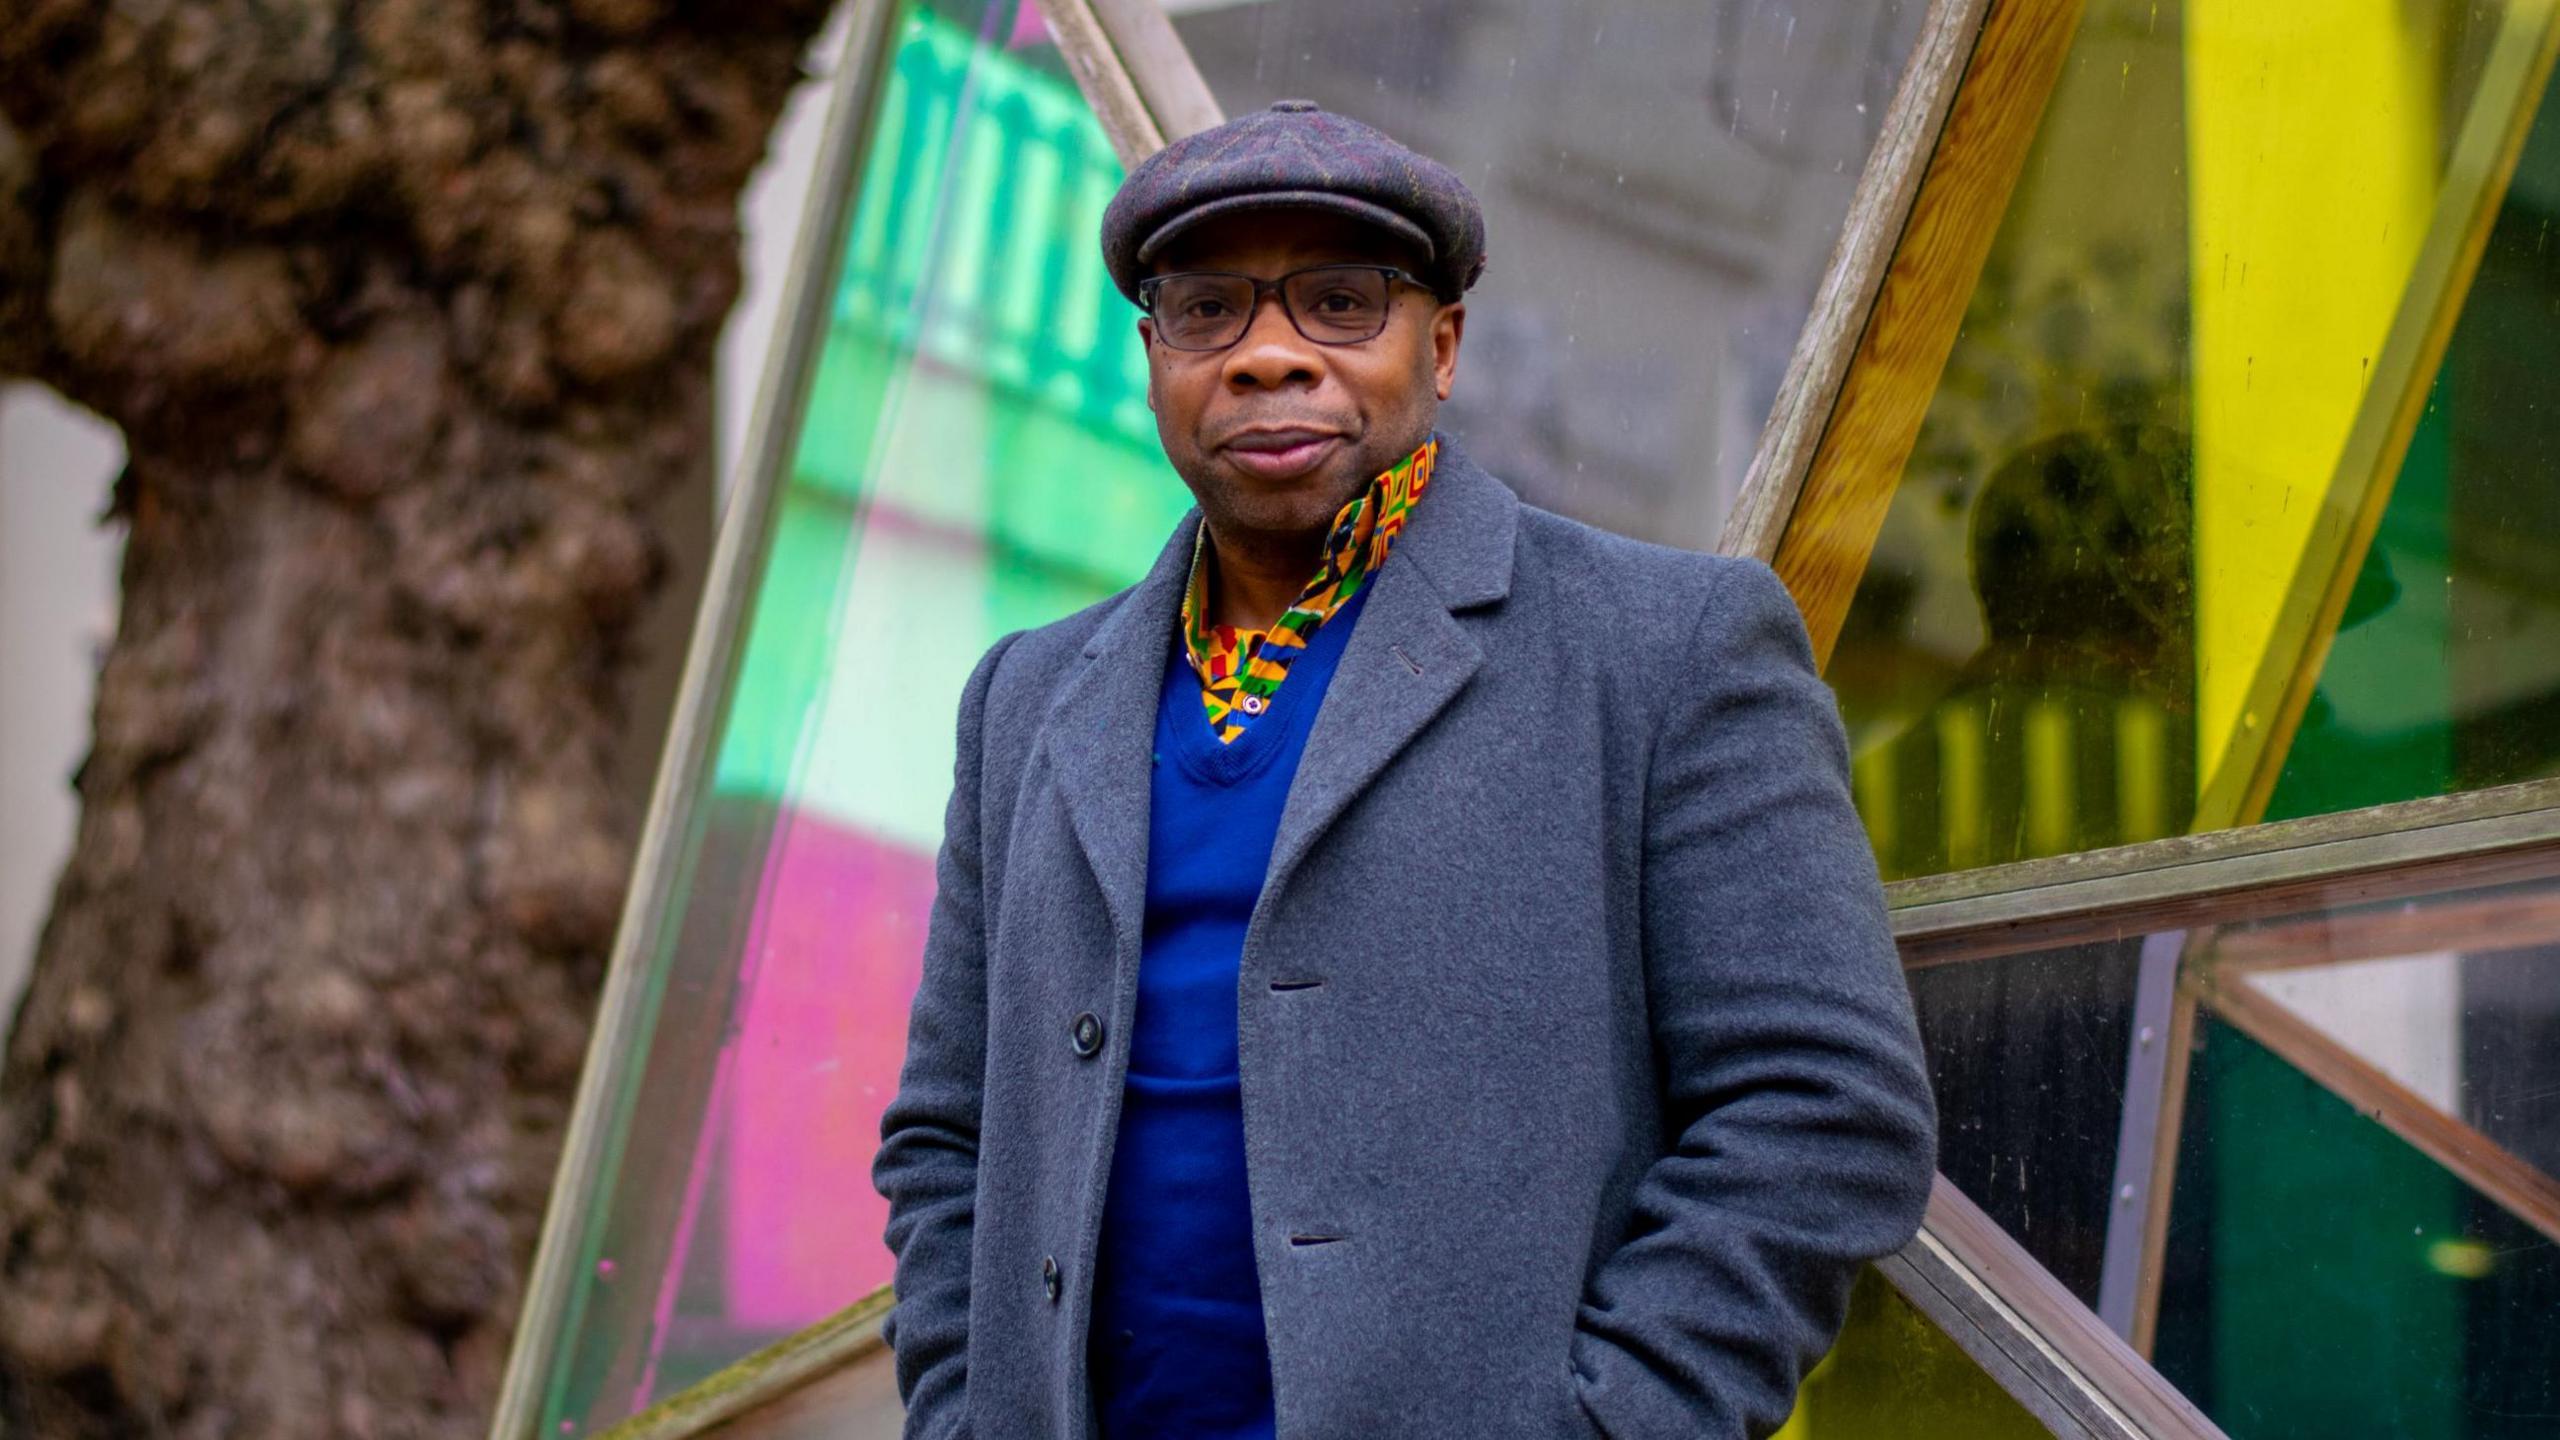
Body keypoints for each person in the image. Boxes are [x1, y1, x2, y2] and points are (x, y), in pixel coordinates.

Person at [872, 99, 1935, 1440]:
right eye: (1210, 311)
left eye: (1338, 304)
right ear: (1153, 358)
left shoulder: (1669, 651)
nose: (1268, 356)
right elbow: (948, 1138)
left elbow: (1823, 1114)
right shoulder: (1028, 699)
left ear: (1440, 346)